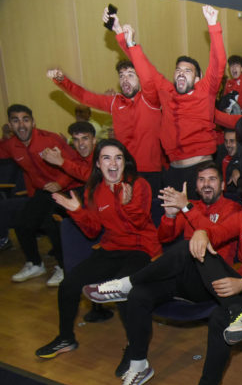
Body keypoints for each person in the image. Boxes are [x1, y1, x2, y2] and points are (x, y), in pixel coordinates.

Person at [83, 172, 242, 385]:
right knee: (141, 293)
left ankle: (127, 283)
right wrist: (200, 231)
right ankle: (138, 363)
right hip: (224, 281)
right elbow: (191, 235)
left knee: (192, 254)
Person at [35, 139, 160, 359]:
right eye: (106, 158)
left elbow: (140, 225)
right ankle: (66, 338)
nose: (113, 163)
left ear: (125, 162)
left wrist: (128, 204)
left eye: (118, 157)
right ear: (98, 165)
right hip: (112, 248)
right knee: (69, 284)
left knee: (121, 291)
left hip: (141, 249)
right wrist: (77, 211)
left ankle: (135, 351)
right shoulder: (94, 190)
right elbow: (92, 231)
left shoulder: (138, 185)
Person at [49, 8, 163, 191]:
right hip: (122, 172)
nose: (125, 79)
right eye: (122, 75)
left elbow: (147, 72)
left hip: (151, 173)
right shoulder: (114, 102)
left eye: (131, 75)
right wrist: (62, 81)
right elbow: (85, 97)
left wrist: (124, 37)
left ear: (140, 78)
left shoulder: (151, 98)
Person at [125, 5, 226, 194]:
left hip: (200, 171)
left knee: (201, 222)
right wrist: (130, 44)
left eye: (187, 71)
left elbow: (218, 62)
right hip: (173, 172)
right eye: (178, 70)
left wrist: (213, 26)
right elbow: (145, 69)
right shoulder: (166, 92)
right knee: (172, 221)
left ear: (197, 78)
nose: (181, 73)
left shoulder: (205, 91)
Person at [1, 104, 81, 286]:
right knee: (22, 223)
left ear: (33, 122)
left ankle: (63, 267)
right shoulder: (11, 145)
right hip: (42, 192)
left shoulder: (49, 139)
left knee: (51, 223)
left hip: (67, 188)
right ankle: (35, 264)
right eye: (16, 120)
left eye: (25, 119)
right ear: (10, 125)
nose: (21, 125)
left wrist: (60, 183)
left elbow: (74, 163)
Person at [155, 161, 241, 264]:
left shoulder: (233, 208)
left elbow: (215, 236)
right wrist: (170, 215)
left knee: (183, 248)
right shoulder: (191, 205)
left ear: (222, 186)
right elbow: (164, 239)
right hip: (188, 265)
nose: (206, 184)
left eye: (212, 179)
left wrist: (187, 208)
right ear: (196, 187)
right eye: (201, 180)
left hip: (216, 266)